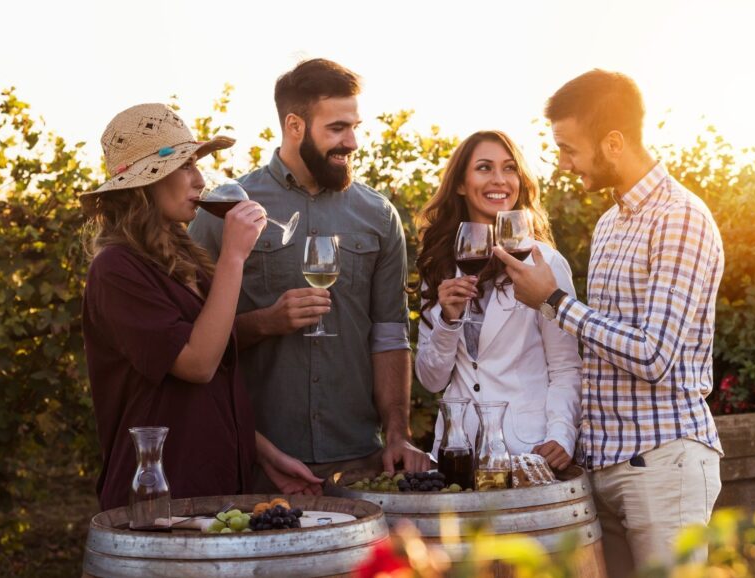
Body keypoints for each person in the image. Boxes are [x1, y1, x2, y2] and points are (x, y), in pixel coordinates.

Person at [495, 71, 724, 573]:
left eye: (569, 148)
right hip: (605, 468)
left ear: (613, 142)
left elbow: (653, 355)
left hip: (664, 466)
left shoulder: (679, 217)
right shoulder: (610, 224)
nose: (563, 162)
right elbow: (597, 349)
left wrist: (553, 300)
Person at [188, 59, 429, 484]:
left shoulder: (379, 216)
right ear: (295, 126)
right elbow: (189, 340)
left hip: (360, 460)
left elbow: (390, 333)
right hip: (258, 462)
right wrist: (266, 323)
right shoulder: (225, 210)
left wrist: (397, 433)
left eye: (355, 126)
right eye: (337, 128)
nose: (352, 141)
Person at [81, 103, 323, 511]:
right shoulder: (116, 270)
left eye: (197, 165)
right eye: (186, 167)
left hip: (218, 488)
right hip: (159, 500)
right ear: (147, 183)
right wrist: (233, 257)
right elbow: (197, 365)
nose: (200, 179)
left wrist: (264, 454)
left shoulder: (188, 262)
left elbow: (215, 388)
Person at [414, 131, 581, 470]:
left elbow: (565, 366)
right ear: (461, 184)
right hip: (456, 453)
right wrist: (447, 320)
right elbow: (432, 380)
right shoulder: (439, 267)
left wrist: (562, 434)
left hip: (528, 450)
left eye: (509, 169)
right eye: (485, 168)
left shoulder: (543, 263)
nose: (500, 180)